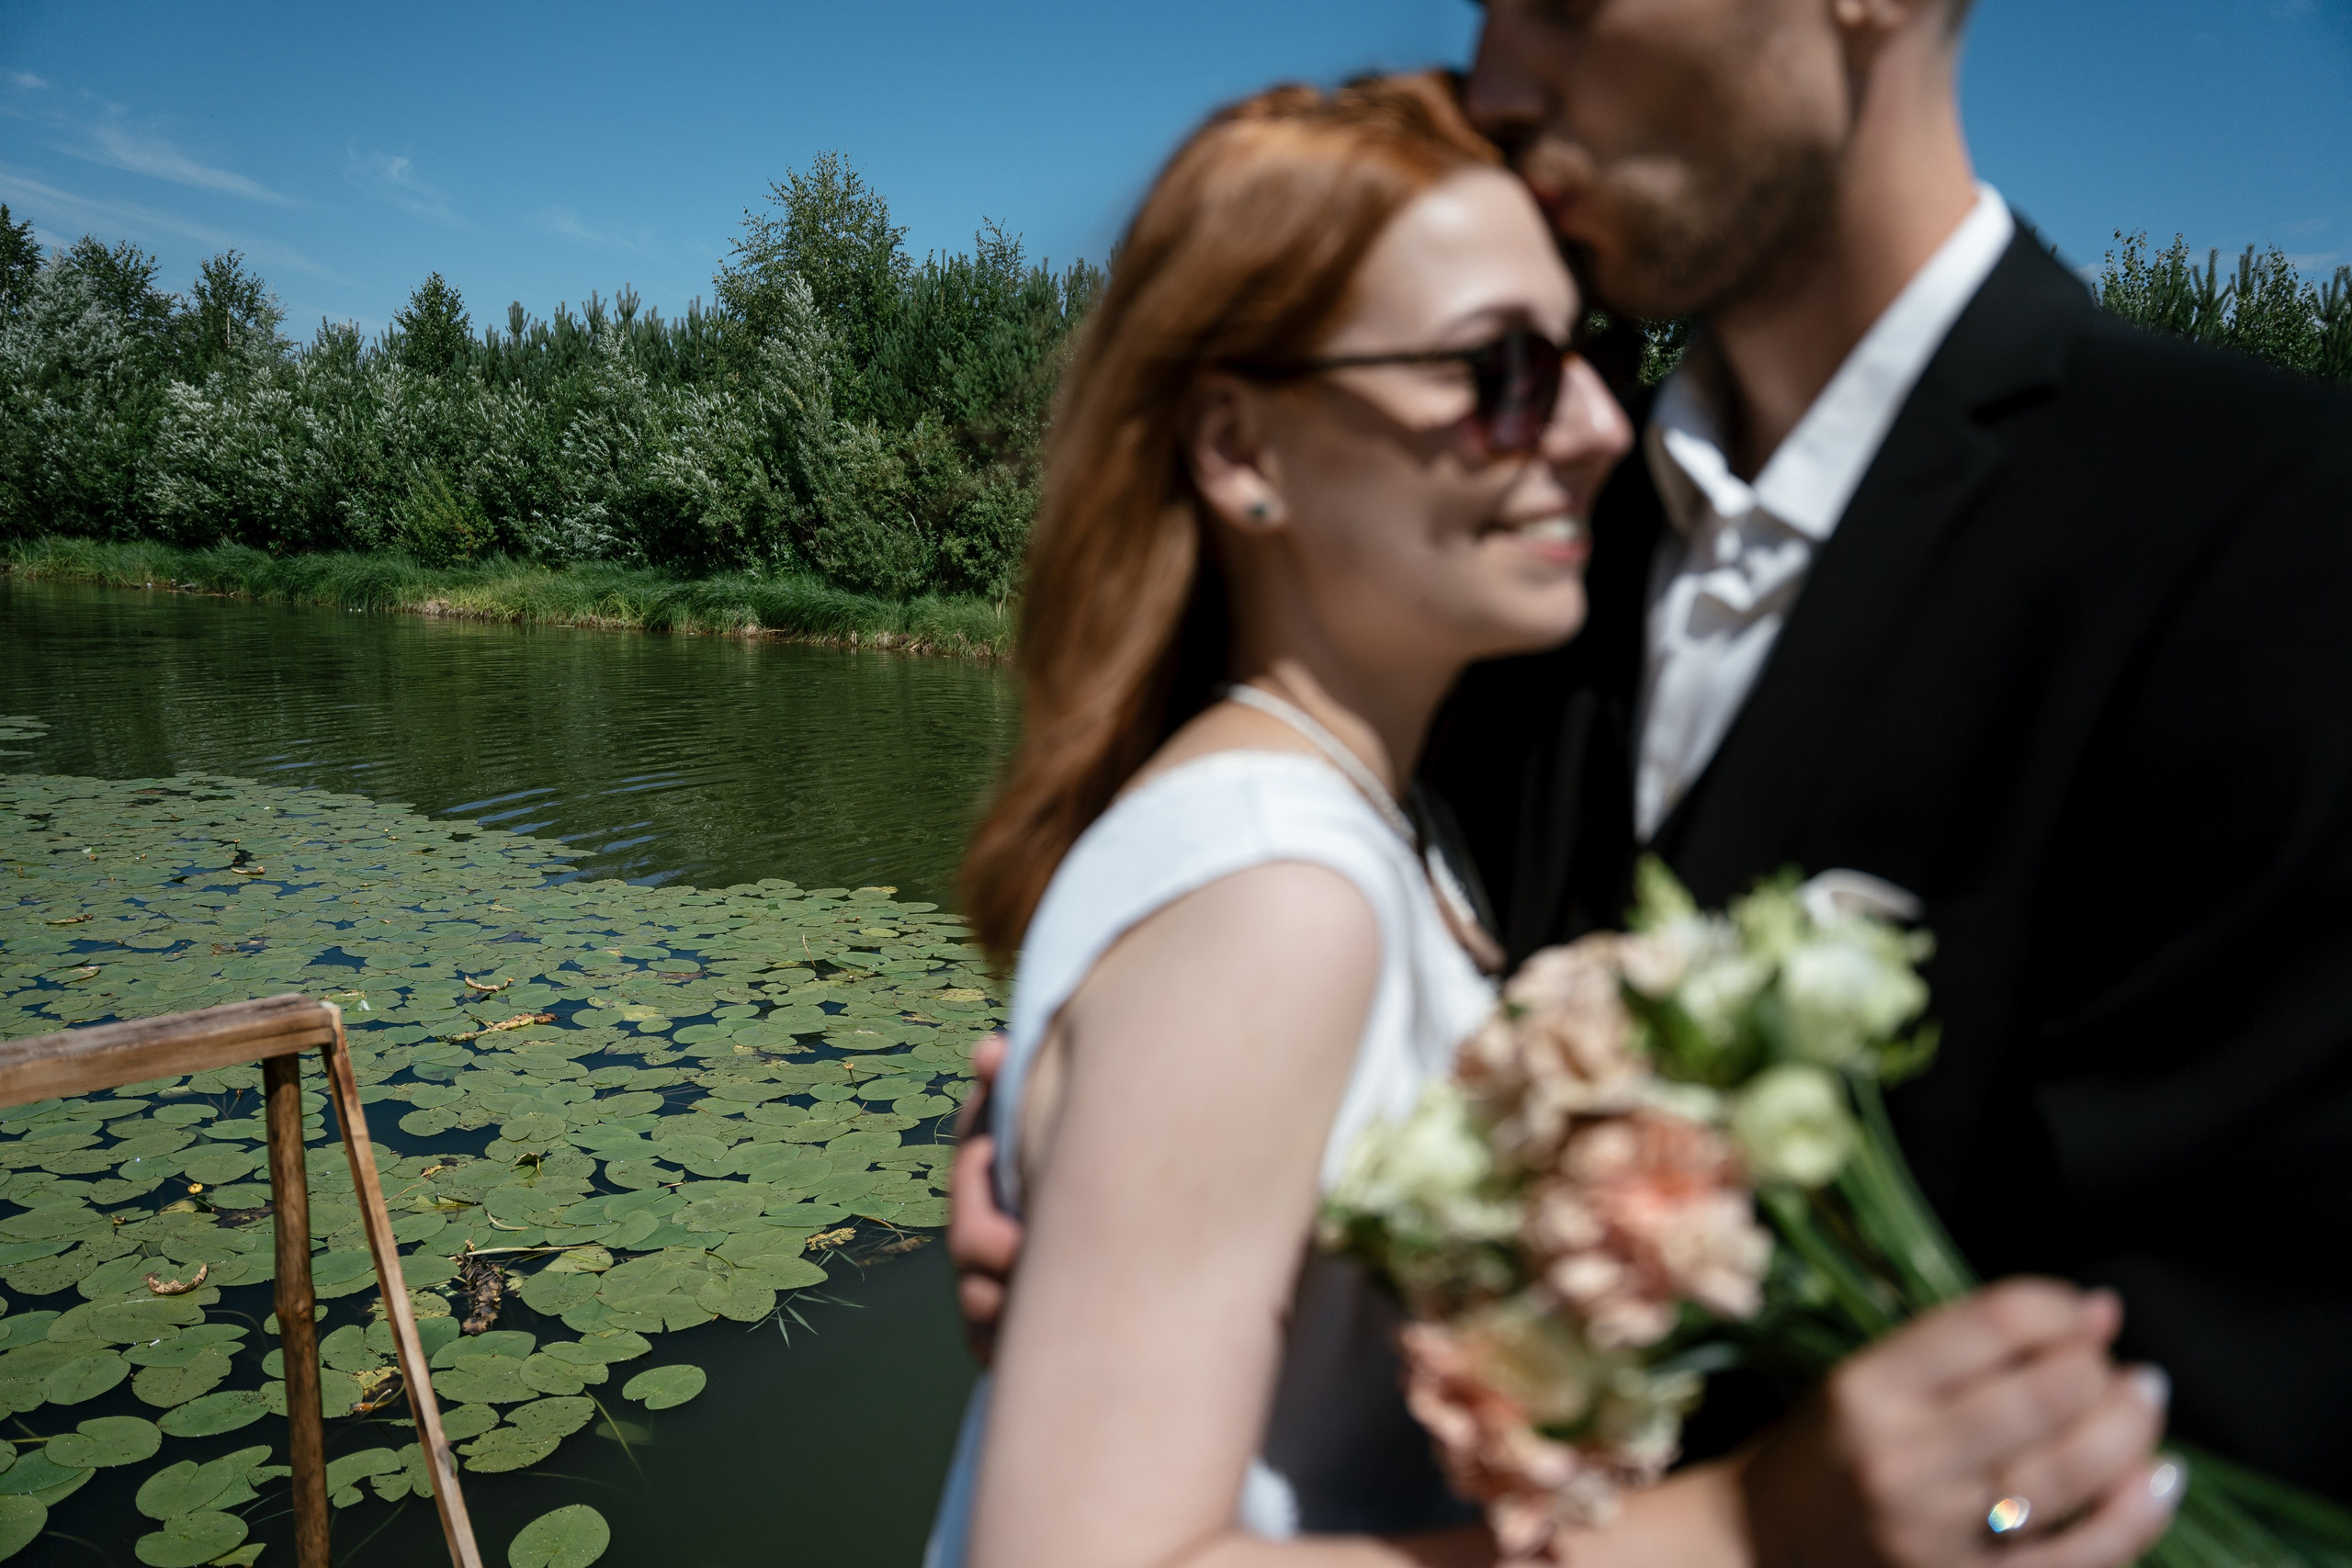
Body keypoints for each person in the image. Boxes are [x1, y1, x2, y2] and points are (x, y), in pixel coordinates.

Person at [956, 0, 2352, 1538]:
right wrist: (1134, 1243)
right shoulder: (1485, 571)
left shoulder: (2264, 539)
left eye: (1561, 3)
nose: (1497, 76)